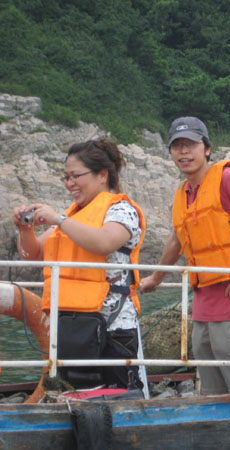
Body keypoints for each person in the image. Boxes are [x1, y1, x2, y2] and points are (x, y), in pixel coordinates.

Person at [140, 117, 230, 395]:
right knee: (206, 363)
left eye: (191, 144)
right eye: (177, 146)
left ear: (207, 148)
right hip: (204, 299)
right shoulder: (183, 192)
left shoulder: (227, 178)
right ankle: (216, 415)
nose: (184, 152)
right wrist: (156, 278)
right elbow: (176, 240)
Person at [12, 139, 146, 390]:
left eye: (75, 176)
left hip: (112, 325)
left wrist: (58, 219)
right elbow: (34, 255)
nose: (69, 184)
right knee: (75, 391)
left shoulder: (121, 210)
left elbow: (104, 242)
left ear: (102, 175)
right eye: (66, 178)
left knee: (118, 391)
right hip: (72, 323)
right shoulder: (71, 216)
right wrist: (25, 230)